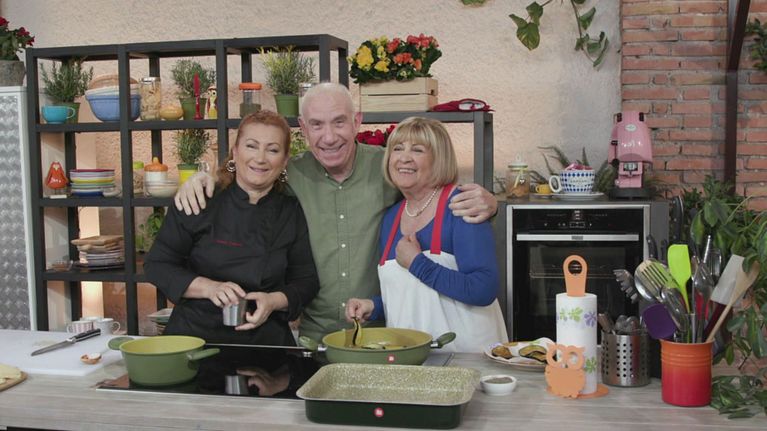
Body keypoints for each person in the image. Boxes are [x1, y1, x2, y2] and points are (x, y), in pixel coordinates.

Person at [174, 83, 498, 342]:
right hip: (316, 337)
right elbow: (250, 174)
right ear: (303, 128)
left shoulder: (388, 167)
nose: (329, 137)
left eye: (339, 122)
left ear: (357, 122)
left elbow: (431, 190)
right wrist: (207, 179)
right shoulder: (290, 173)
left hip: (382, 334)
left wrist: (490, 202)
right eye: (317, 125)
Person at [144, 111, 319, 345]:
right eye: (251, 146)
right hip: (194, 339)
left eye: (272, 150)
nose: (260, 158)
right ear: (235, 152)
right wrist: (209, 288)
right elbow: (157, 265)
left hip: (266, 343)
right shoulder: (200, 199)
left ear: (285, 160)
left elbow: (306, 281)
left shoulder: (291, 211)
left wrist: (273, 302)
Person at [345, 117, 508, 352]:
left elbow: (483, 289)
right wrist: (373, 306)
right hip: (412, 359)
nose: (404, 158)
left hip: (466, 359)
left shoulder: (461, 206)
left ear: (439, 159)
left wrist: (417, 263)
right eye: (397, 148)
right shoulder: (391, 217)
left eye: (418, 150)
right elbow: (411, 295)